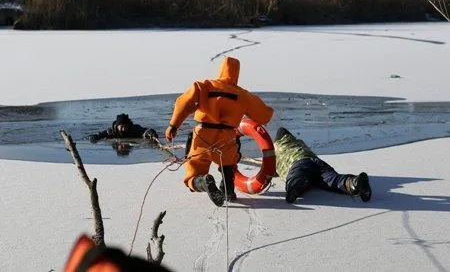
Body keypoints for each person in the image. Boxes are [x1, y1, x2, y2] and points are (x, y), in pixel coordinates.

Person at [165, 56, 274, 206]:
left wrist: (173, 125)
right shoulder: (243, 95)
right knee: (228, 164)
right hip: (227, 135)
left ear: (221, 69)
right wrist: (269, 111)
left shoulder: (204, 86)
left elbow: (183, 103)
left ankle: (203, 182)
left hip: (203, 133)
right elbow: (263, 115)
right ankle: (228, 191)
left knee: (193, 173)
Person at [274, 127, 372, 203]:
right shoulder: (298, 143)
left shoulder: (277, 149)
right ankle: (353, 183)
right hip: (316, 162)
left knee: (296, 176)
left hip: (298, 163)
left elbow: (270, 170)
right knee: (333, 179)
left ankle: (295, 187)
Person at [88, 113, 158, 143]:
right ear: (117, 126)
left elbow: (145, 131)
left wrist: (150, 133)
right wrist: (93, 137)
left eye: (125, 127)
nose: (124, 129)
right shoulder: (111, 132)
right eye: (121, 127)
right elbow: (100, 135)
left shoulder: (134, 129)